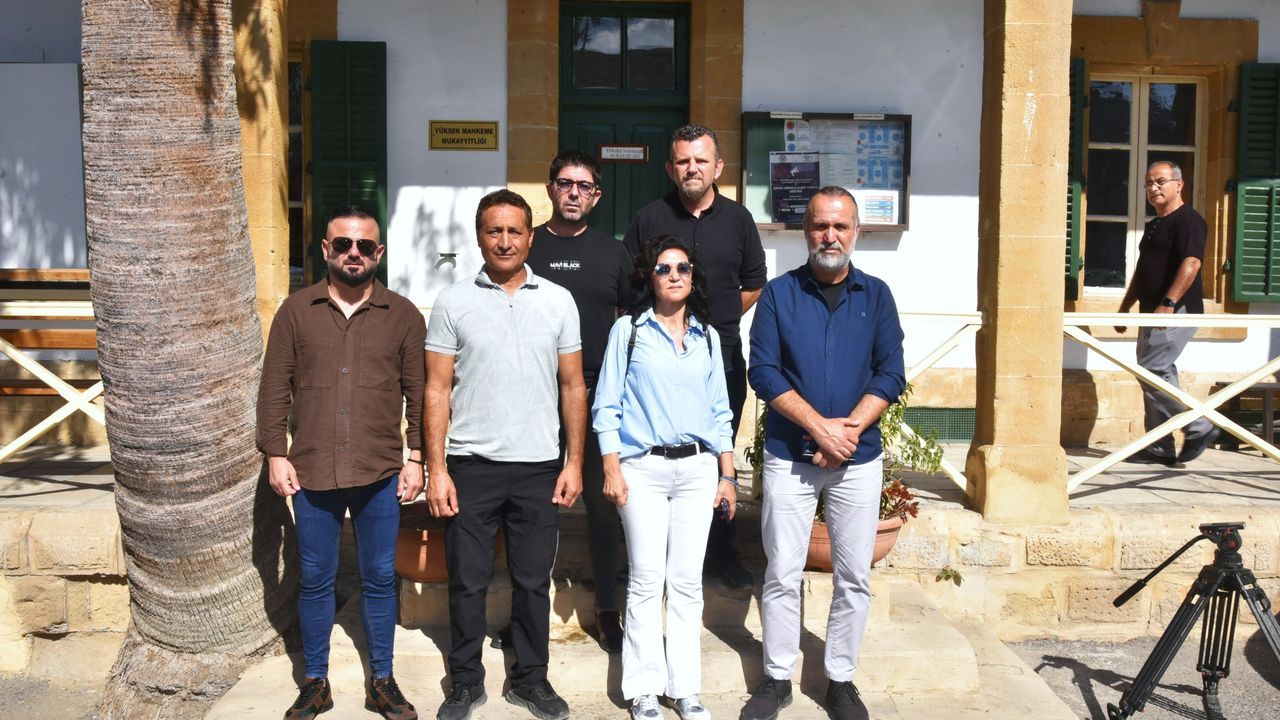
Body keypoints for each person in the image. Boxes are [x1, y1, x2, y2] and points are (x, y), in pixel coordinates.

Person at [257, 205, 425, 720]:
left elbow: (419, 394)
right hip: (312, 470)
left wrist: (417, 456)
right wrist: (275, 453)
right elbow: (274, 388)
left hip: (380, 472)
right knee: (314, 579)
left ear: (379, 253)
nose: (355, 253)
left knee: (379, 578)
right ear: (327, 249)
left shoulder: (403, 315)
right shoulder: (295, 311)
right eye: (344, 244)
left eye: (365, 246)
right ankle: (315, 682)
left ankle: (382, 681)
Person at [744, 187, 905, 720]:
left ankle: (840, 679)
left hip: (857, 459)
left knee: (854, 574)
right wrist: (819, 429)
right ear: (805, 231)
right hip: (791, 455)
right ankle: (776, 678)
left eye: (840, 226)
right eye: (820, 226)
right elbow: (763, 371)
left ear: (855, 231)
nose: (829, 236)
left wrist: (847, 433)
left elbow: (890, 373)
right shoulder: (778, 295)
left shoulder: (877, 295)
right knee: (782, 571)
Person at [425, 189, 586, 720]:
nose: (505, 241)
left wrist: (574, 462)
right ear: (479, 237)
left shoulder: (558, 301)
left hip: (538, 467)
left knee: (533, 582)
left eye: (515, 231)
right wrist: (437, 469)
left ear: (530, 237)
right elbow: (436, 389)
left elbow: (573, 386)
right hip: (471, 465)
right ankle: (465, 682)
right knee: (467, 582)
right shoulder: (452, 301)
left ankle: (531, 680)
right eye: (494, 231)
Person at [592, 235, 737, 720]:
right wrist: (611, 467)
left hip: (698, 470)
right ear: (649, 277)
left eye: (682, 268)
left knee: (687, 582)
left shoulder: (708, 337)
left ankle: (685, 688)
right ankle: (644, 690)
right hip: (643, 470)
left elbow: (721, 411)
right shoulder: (628, 331)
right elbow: (606, 405)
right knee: (646, 579)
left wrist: (727, 475)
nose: (674, 275)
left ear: (693, 277)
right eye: (663, 268)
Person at [623, 124, 767, 589]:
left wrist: (713, 321)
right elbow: (629, 287)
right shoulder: (648, 218)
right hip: (658, 363)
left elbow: (754, 283)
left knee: (716, 454)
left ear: (718, 167)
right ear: (670, 168)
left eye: (701, 160)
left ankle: (720, 552)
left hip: (721, 357)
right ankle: (651, 554)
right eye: (683, 160)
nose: (692, 168)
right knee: (657, 456)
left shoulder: (739, 220)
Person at [526, 149, 634, 653]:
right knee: (531, 505)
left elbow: (633, 326)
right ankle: (527, 609)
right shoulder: (526, 246)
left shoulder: (614, 253)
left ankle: (607, 607)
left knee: (601, 504)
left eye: (584, 185)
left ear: (596, 195)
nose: (574, 192)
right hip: (532, 391)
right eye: (565, 183)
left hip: (594, 393)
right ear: (551, 189)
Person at [1114, 160, 1219, 465]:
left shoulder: (1189, 220)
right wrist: (1126, 306)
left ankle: (1198, 426)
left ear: (1178, 185)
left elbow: (1192, 263)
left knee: (1153, 369)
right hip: (1151, 311)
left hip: (1175, 310)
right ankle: (1160, 446)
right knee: (1155, 374)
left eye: (1160, 181)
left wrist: (1169, 303)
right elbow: (1144, 270)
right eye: (1148, 183)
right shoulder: (1154, 224)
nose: (1153, 188)